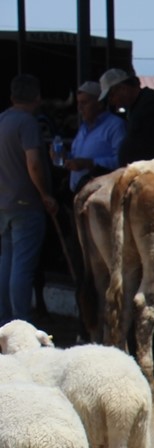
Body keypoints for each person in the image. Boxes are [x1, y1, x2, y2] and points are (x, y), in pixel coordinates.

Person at [0, 74, 56, 324]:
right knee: (22, 266)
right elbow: (34, 163)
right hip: (26, 203)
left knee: (6, 262)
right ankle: (20, 321)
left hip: (4, 203)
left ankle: (3, 320)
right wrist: (45, 194)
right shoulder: (28, 123)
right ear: (37, 98)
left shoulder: (2, 120)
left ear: (12, 97)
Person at [65, 81, 125, 192]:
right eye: (78, 103)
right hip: (79, 194)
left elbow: (123, 161)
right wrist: (65, 156)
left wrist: (90, 163)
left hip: (103, 196)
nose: (79, 108)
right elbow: (78, 157)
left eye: (84, 103)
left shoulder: (115, 126)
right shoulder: (84, 128)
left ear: (100, 103)